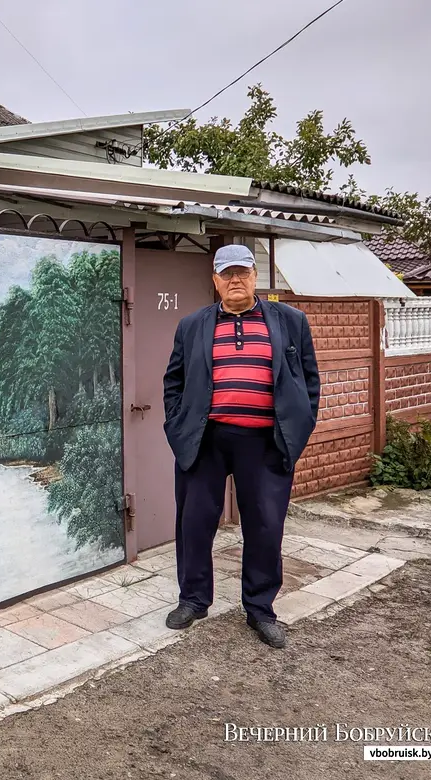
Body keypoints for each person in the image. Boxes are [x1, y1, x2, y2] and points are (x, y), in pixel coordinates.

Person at [161, 243, 320, 648]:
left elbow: (309, 381)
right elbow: (174, 382)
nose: (235, 280)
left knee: (265, 526)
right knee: (194, 523)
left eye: (242, 272)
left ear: (254, 277)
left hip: (266, 441)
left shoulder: (291, 321)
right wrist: (178, 428)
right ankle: (194, 600)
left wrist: (298, 428)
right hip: (206, 440)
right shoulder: (192, 325)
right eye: (226, 274)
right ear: (215, 280)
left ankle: (260, 609)